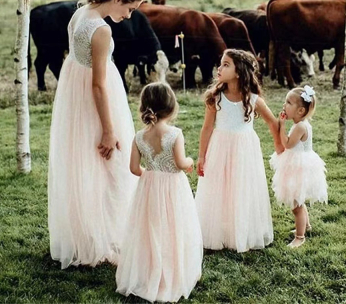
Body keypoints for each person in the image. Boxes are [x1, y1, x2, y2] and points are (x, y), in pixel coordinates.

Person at [48, 0, 144, 268]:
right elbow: (99, 85)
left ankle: (86, 236)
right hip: (96, 102)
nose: (128, 17)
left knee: (84, 165)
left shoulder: (81, 13)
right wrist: (108, 129)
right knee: (110, 167)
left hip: (74, 96)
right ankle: (104, 238)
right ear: (116, 0)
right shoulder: (101, 30)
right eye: (128, 10)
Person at [116, 82, 203, 302]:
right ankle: (171, 272)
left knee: (150, 228)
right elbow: (181, 162)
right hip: (173, 188)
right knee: (174, 226)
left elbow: (134, 169)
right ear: (171, 107)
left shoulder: (138, 137)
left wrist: (151, 173)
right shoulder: (175, 134)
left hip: (149, 187)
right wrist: (191, 161)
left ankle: (149, 270)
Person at [195, 49, 281, 252]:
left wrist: (280, 144)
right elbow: (207, 127)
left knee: (241, 187)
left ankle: (239, 231)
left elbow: (272, 122)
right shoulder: (215, 97)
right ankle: (218, 231)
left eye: (226, 64)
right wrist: (201, 156)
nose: (219, 68)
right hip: (220, 147)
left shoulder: (252, 99)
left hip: (244, 149)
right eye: (221, 63)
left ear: (239, 72)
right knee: (219, 186)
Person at [270, 85, 328, 248]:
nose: (284, 105)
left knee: (297, 205)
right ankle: (306, 226)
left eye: (288, 102)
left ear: (300, 111)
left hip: (299, 167)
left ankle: (300, 236)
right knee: (299, 199)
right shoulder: (300, 124)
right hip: (298, 163)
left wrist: (281, 125)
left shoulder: (300, 126)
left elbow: (287, 144)